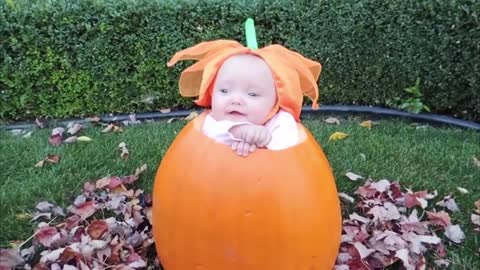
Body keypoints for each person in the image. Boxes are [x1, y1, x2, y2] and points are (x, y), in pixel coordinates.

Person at [201, 53, 299, 157]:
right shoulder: (212, 119)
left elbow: (289, 150)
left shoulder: (281, 120)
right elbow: (210, 133)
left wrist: (262, 142)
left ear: (275, 102)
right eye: (225, 91)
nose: (235, 100)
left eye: (252, 94)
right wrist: (238, 130)